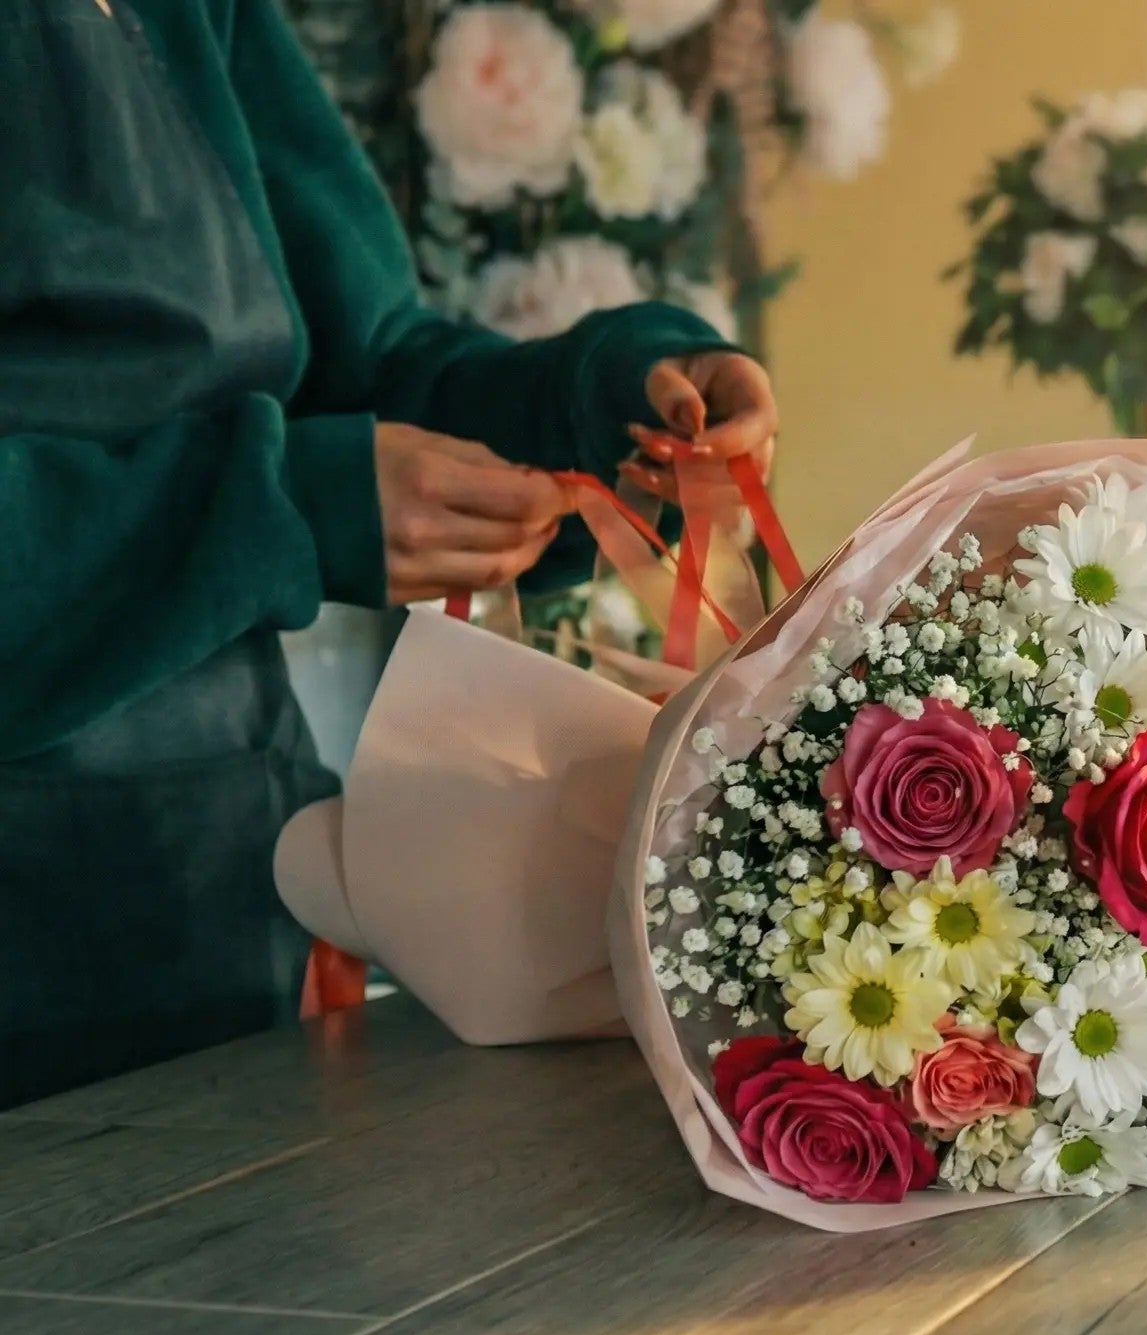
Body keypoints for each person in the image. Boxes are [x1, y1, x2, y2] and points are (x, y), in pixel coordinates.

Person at [0, 0, 779, 1107]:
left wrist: (610, 411)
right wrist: (281, 504)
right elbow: (301, 475)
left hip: (222, 884)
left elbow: (367, 359)